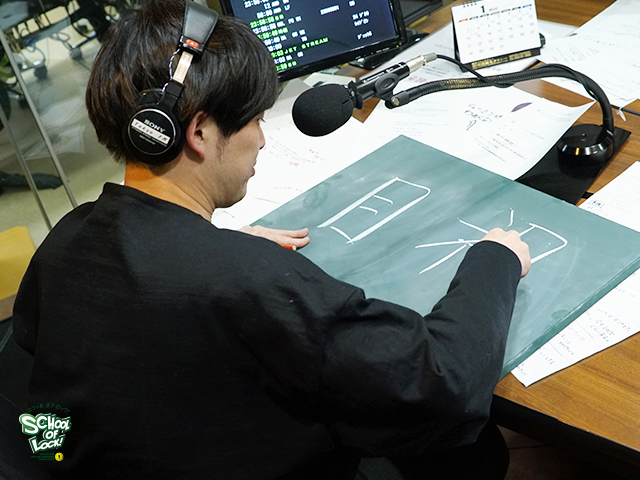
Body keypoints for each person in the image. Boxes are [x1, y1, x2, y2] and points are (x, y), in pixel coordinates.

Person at [12, 1, 531, 478]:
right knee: (476, 455)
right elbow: (444, 382)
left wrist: (199, 243)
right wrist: (496, 261)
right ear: (198, 132)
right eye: (256, 120)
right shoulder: (252, 282)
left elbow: (43, 337)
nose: (262, 139)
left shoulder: (67, 238)